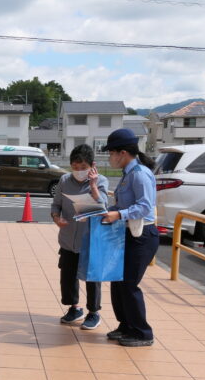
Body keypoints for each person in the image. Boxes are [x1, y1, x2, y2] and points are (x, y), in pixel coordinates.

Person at [100, 128, 159, 347]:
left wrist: (119, 214)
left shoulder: (140, 174)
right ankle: (126, 325)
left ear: (122, 153)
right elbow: (124, 204)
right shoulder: (128, 174)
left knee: (129, 284)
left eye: (111, 153)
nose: (110, 157)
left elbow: (144, 206)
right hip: (128, 233)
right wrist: (111, 211)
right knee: (118, 281)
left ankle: (143, 332)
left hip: (142, 235)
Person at [51, 144, 109, 330]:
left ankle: (94, 312)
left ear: (92, 165)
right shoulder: (64, 181)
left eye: (83, 168)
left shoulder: (101, 181)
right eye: (74, 167)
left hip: (90, 240)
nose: (78, 171)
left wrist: (92, 185)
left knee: (92, 277)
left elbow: (103, 207)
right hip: (68, 238)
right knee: (67, 276)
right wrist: (56, 218)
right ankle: (74, 308)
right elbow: (56, 205)